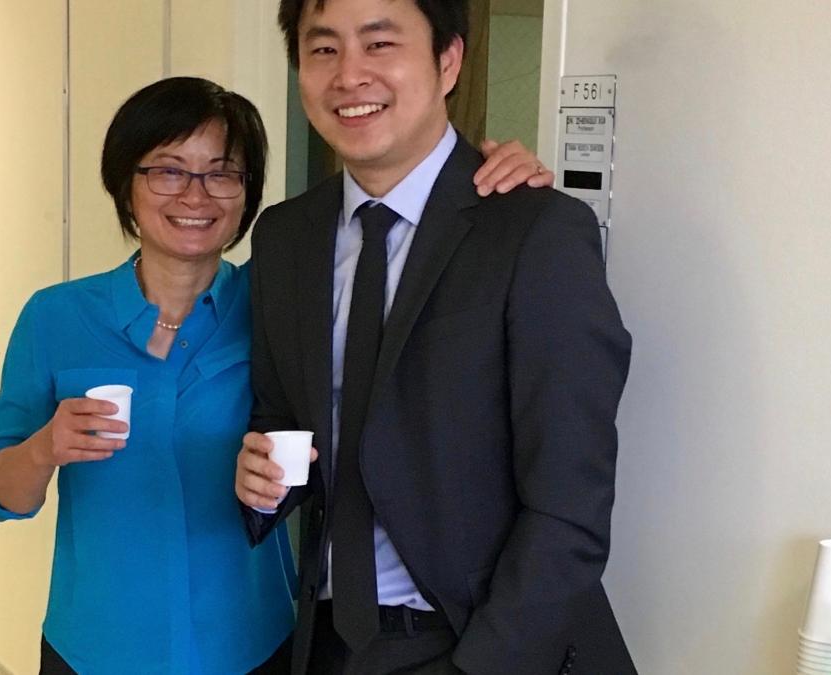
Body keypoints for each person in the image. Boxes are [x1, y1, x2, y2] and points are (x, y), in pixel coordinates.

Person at [0, 75, 554, 674]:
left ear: (246, 194)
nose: (195, 196)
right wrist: (44, 449)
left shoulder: (285, 303)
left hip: (252, 647)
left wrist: (481, 178)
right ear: (126, 183)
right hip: (95, 647)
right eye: (168, 170)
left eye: (222, 173)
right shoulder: (56, 317)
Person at [234, 1, 636, 674]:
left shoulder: (535, 232)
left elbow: (570, 510)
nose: (349, 76)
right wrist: (262, 481)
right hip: (328, 640)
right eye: (324, 50)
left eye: (380, 44)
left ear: (448, 60)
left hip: (480, 642)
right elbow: (284, 419)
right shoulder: (284, 239)